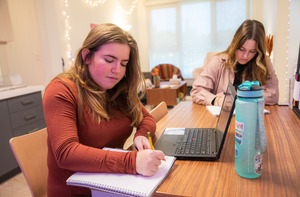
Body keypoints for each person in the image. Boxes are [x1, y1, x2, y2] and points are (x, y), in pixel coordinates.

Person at [43, 23, 165, 197]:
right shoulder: (61, 90)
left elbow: (146, 119)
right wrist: (132, 161)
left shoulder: (117, 88)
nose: (117, 70)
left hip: (111, 183)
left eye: (124, 63)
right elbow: (66, 153)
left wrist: (140, 135)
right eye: (109, 60)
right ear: (86, 56)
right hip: (76, 191)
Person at [191, 19, 279, 106]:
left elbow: (273, 96)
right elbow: (197, 90)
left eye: (252, 51)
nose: (245, 56)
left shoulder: (264, 63)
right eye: (241, 49)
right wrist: (216, 100)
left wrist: (239, 99)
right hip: (220, 118)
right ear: (235, 44)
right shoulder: (218, 62)